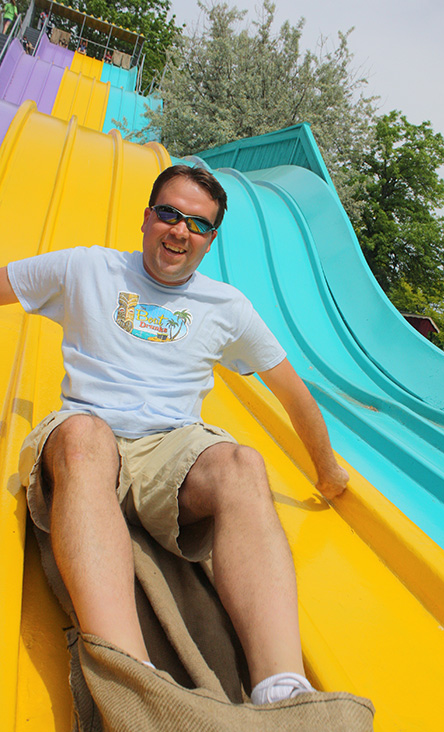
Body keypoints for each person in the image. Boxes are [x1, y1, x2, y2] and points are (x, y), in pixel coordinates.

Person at [0, 165, 349, 706]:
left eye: (198, 223)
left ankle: (281, 687)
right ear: (147, 218)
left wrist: (327, 467)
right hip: (88, 441)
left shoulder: (226, 307)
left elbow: (292, 391)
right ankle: (129, 674)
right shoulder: (86, 267)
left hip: (171, 456)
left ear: (211, 238)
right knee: (83, 436)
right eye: (169, 213)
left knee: (242, 464)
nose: (180, 230)